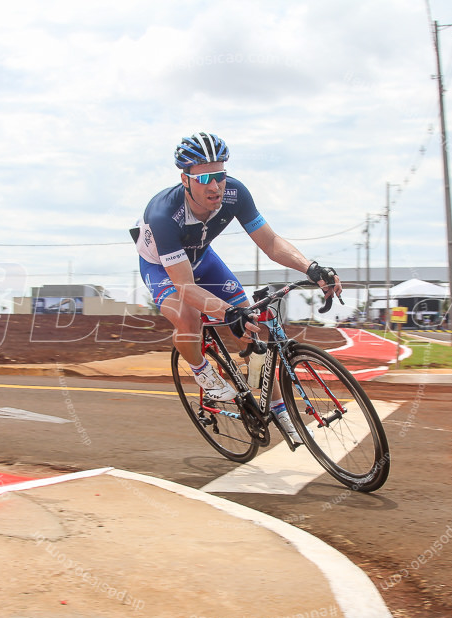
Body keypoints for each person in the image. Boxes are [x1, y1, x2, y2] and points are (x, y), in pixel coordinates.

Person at [132, 132, 341, 441]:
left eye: (219, 175)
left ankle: (276, 406)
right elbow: (186, 287)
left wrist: (311, 268)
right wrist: (228, 311)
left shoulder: (235, 194)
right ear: (185, 179)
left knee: (256, 328)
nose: (215, 186)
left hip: (202, 259)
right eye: (204, 179)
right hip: (162, 268)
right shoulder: (163, 213)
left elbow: (269, 242)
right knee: (189, 316)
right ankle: (202, 370)